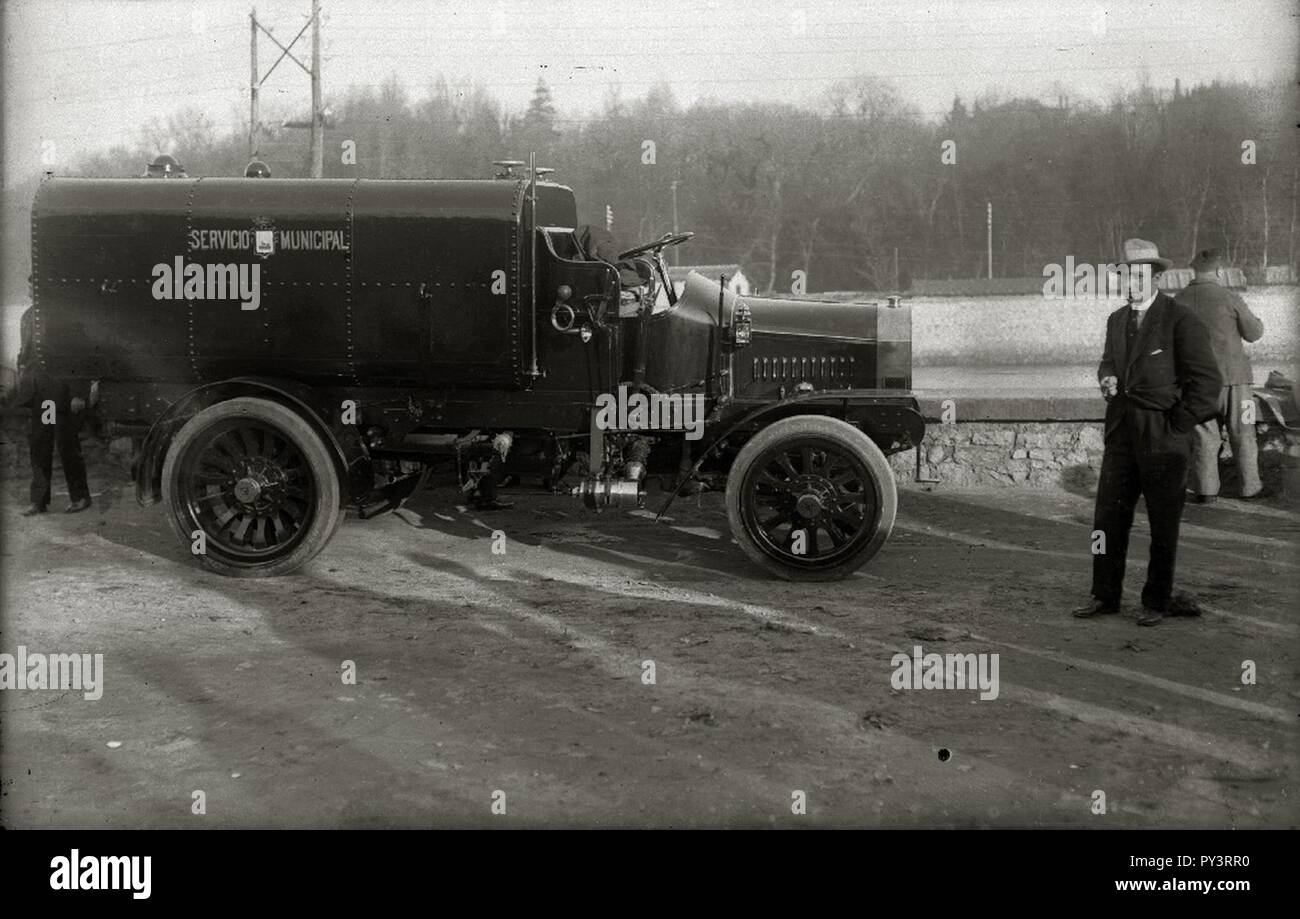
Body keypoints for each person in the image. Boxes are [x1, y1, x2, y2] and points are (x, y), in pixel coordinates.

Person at [1074, 239, 1221, 627]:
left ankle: (1156, 601)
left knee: (1162, 524)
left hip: (1164, 435)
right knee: (1106, 520)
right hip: (1122, 433)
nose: (1132, 281)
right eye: (1126, 274)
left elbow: (1207, 384)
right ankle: (1104, 596)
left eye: (1140, 274)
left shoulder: (1181, 319)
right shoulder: (1116, 320)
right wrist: (1106, 379)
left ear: (1156, 276)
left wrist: (1178, 424)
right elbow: (1108, 363)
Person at [1174, 248, 1266, 501]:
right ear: (1218, 271)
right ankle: (1250, 488)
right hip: (1237, 383)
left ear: (1194, 271)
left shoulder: (1177, 301)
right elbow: (1254, 333)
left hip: (1197, 385)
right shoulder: (1229, 297)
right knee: (1244, 432)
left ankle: (1206, 491)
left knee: (1204, 435)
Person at [14, 308, 92, 515]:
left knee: (67, 447)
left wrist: (78, 393)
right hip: (41, 397)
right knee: (40, 446)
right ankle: (39, 502)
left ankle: (80, 497)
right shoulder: (28, 316)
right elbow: (25, 352)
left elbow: (79, 357)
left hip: (61, 395)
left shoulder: (63, 312)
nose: (32, 288)